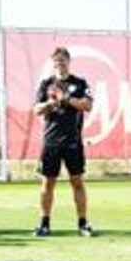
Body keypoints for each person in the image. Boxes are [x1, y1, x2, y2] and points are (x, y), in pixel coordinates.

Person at [33, 46, 95, 237]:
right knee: (47, 183)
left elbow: (88, 105)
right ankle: (44, 223)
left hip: (73, 141)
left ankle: (83, 224)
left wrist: (67, 99)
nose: (60, 64)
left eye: (63, 60)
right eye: (56, 61)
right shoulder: (46, 84)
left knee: (77, 182)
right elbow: (37, 109)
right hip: (51, 141)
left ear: (68, 61)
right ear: (53, 64)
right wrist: (52, 103)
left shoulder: (80, 83)